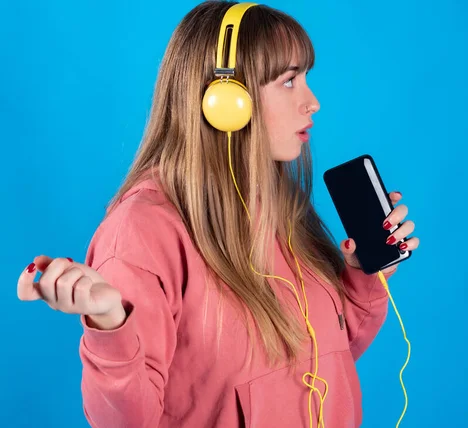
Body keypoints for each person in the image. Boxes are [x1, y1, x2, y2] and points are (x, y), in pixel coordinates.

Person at [17, 1, 419, 427]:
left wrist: (361, 279)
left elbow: (315, 366)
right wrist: (110, 324)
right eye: (289, 81)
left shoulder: (278, 206)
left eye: (306, 79)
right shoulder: (143, 232)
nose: (312, 102)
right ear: (225, 101)